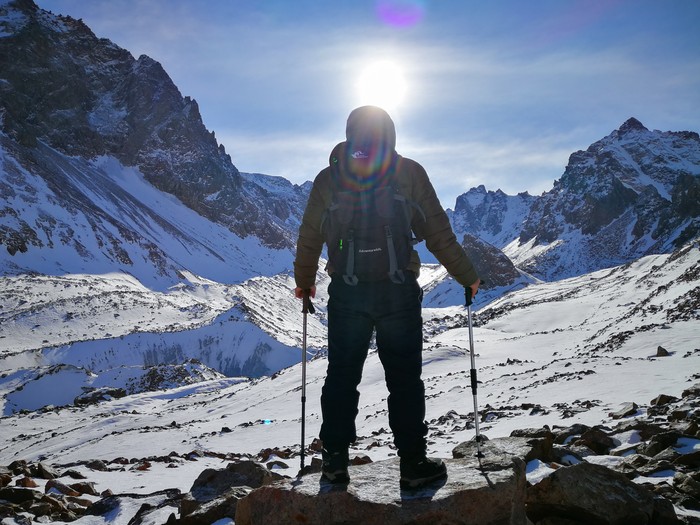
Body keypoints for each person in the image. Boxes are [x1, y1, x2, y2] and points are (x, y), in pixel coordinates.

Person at [294, 105, 480, 489]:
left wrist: (305, 281)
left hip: (348, 293)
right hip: (398, 293)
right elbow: (438, 235)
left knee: (342, 377)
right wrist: (468, 276)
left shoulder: (329, 179)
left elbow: (310, 236)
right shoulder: (408, 173)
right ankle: (413, 464)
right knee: (405, 379)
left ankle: (334, 462)